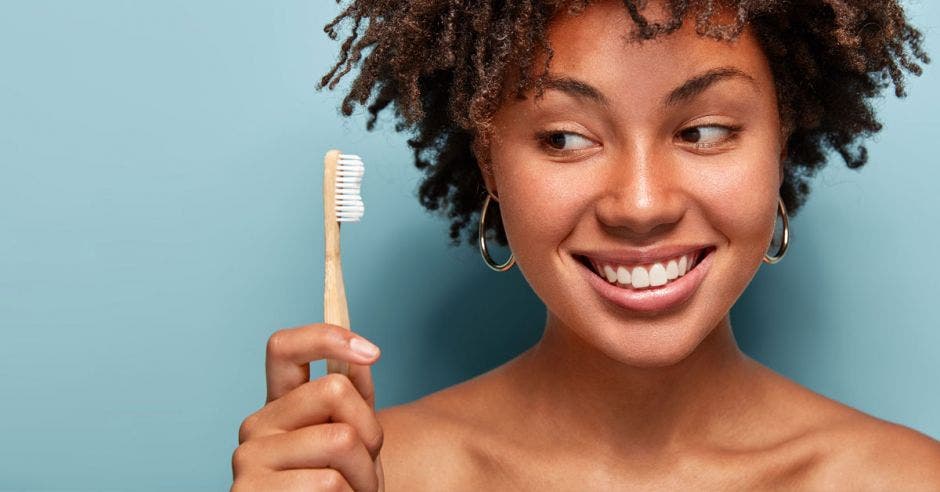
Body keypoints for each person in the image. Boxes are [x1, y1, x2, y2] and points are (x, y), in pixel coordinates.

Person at [232, 1, 940, 490]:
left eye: (703, 132)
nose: (640, 206)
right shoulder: (362, 479)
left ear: (780, 145)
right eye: (564, 138)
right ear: (489, 165)